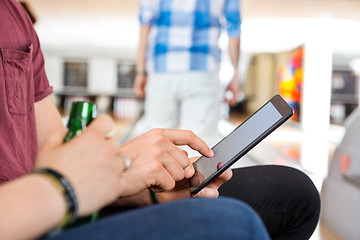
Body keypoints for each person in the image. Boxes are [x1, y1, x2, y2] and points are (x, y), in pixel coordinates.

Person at [0, 0, 320, 239]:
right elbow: (61, 177)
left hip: (61, 204)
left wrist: (138, 187)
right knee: (230, 221)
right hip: (30, 214)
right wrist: (65, 187)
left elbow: (55, 153)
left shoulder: (15, 14)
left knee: (292, 191)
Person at [134, 0, 241, 148]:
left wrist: (141, 71)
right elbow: (233, 26)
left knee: (158, 142)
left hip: (162, 69)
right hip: (204, 72)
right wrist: (235, 75)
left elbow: (145, 22)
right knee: (201, 145)